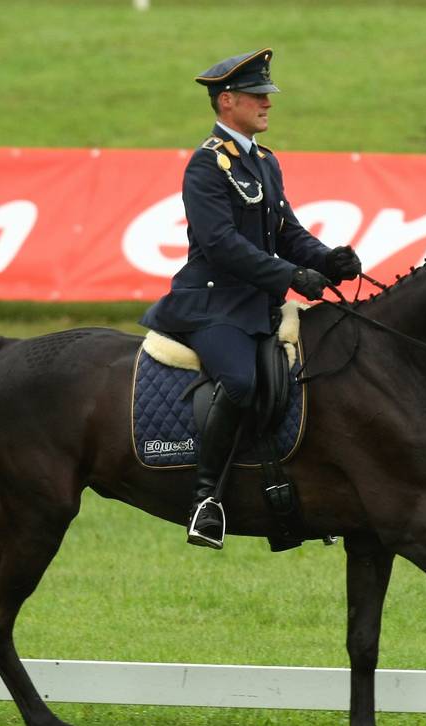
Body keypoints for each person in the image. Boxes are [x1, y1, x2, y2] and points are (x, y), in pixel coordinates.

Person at [139, 48, 361, 549]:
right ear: (227, 102)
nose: (268, 103)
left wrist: (328, 260)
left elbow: (286, 230)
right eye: (258, 96)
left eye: (268, 95)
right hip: (212, 306)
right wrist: (289, 275)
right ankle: (205, 500)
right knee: (240, 382)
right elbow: (221, 246)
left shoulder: (264, 161)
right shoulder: (205, 166)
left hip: (258, 306)